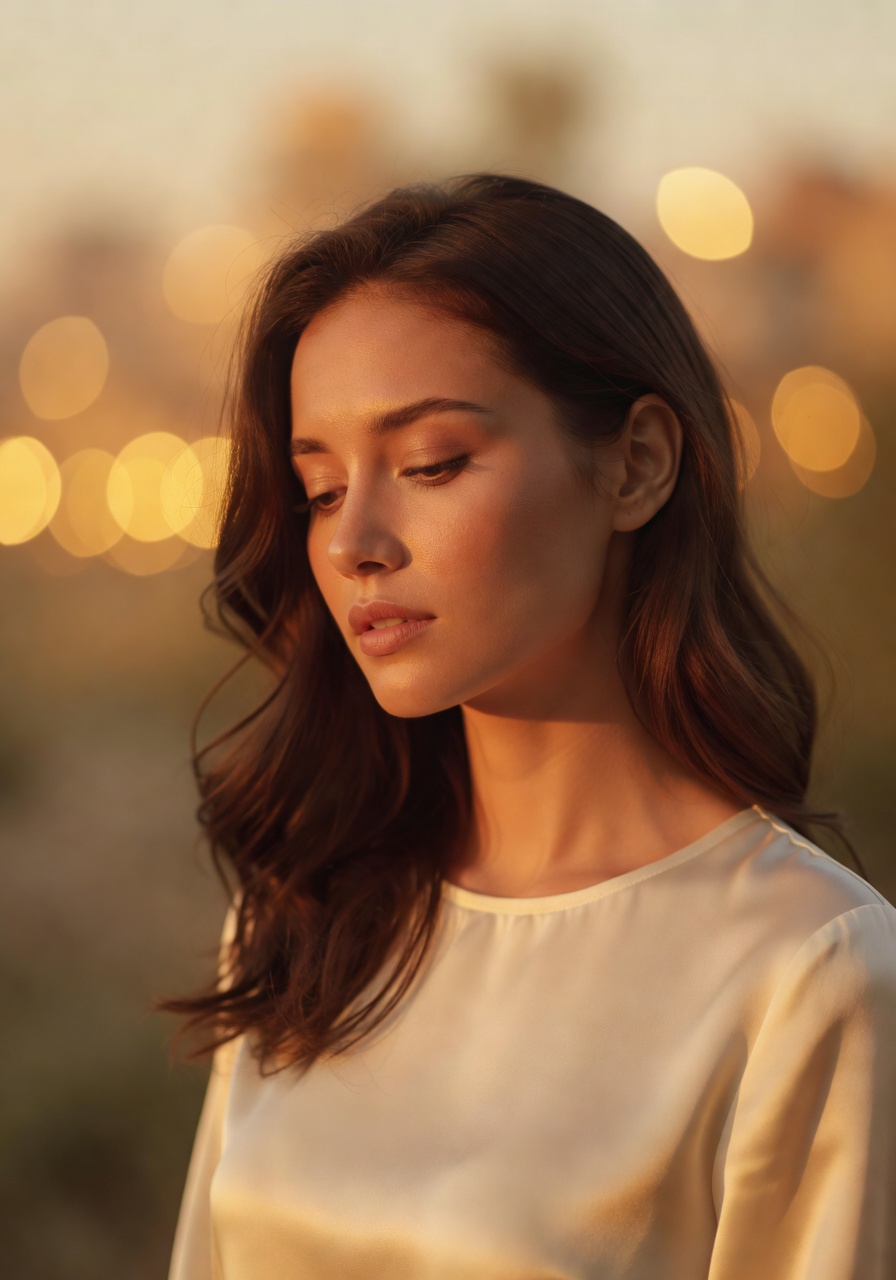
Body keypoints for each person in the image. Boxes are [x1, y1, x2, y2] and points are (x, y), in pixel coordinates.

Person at [163, 174, 896, 1279]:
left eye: (430, 464)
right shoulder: (304, 914)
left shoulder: (810, 973)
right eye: (317, 487)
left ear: (636, 463)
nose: (355, 538)